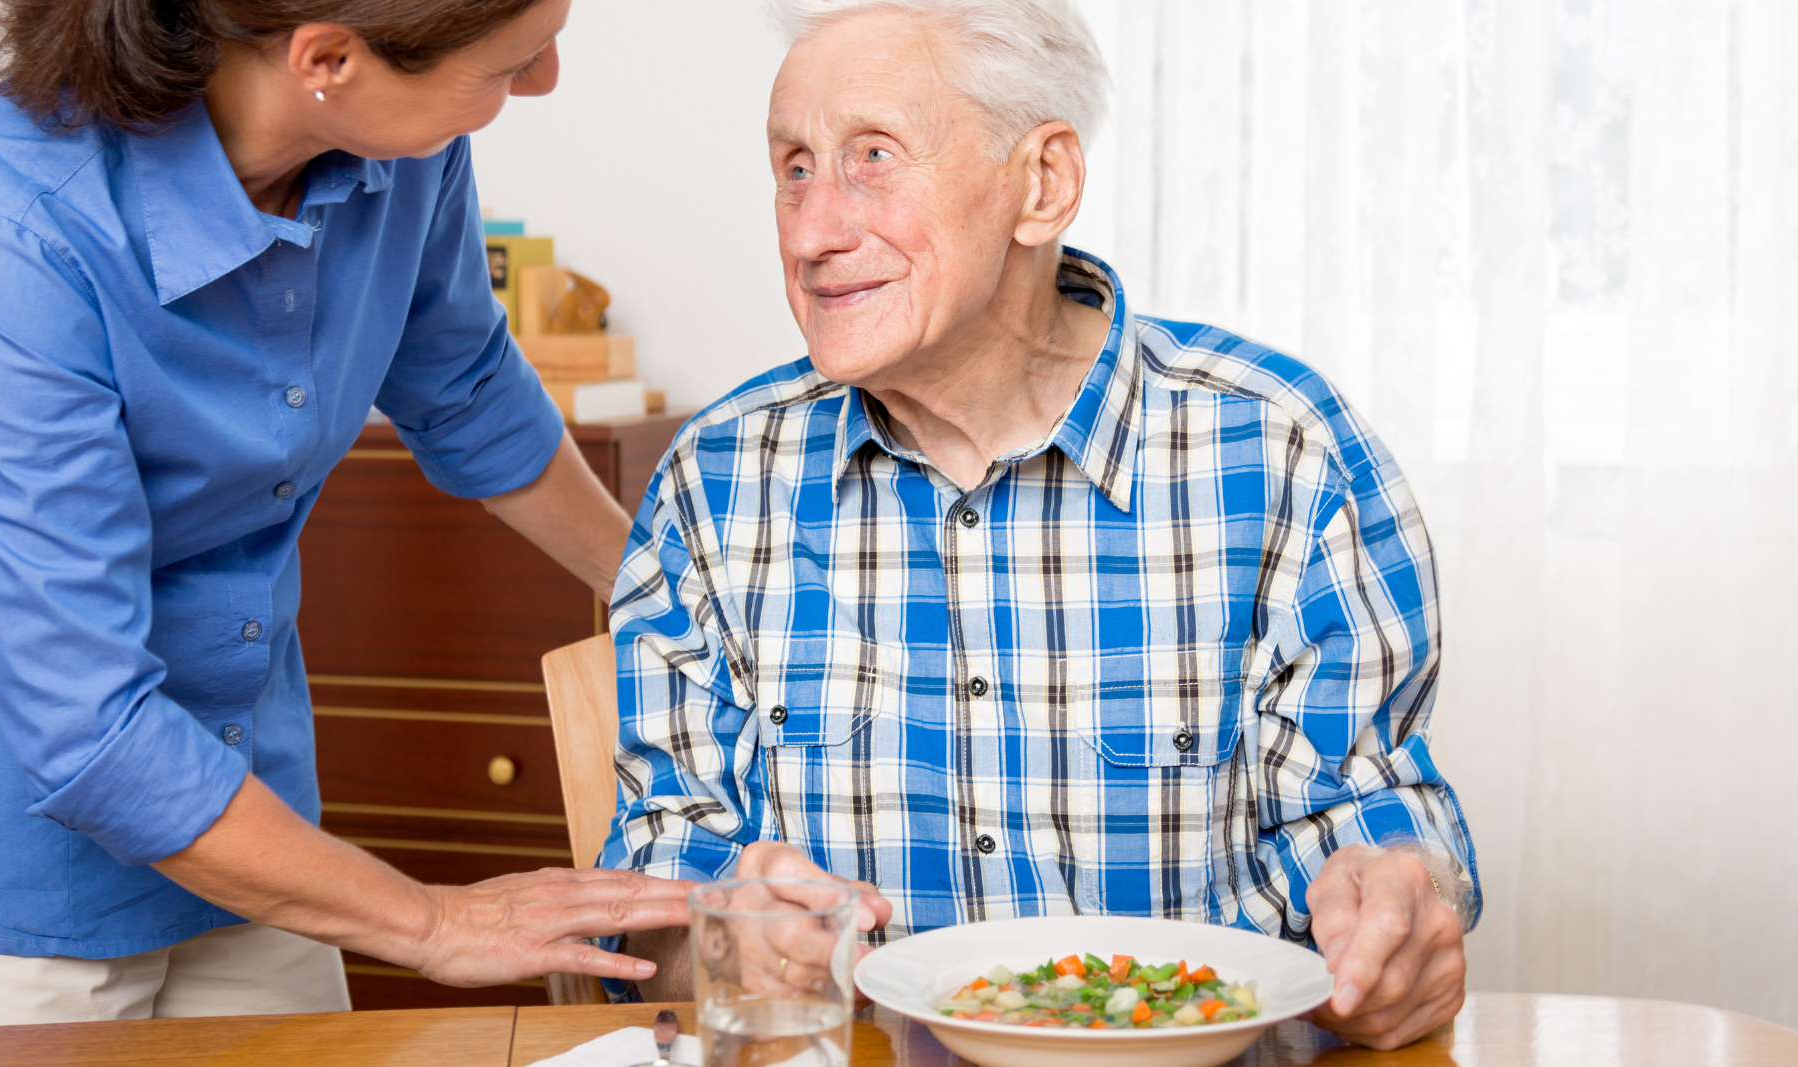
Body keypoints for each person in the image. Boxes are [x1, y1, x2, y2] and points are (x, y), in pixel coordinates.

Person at [0, 0, 899, 1026]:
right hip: (19, 870)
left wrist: (682, 603)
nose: (547, 77)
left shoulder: (399, 152)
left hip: (261, 824)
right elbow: (89, 726)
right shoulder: (16, 234)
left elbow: (466, 391)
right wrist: (432, 921)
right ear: (329, 59)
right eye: (509, 63)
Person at [600, 0, 1480, 1050]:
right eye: (794, 166)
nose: (810, 231)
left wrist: (1397, 902)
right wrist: (718, 932)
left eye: (872, 157)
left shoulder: (1286, 452)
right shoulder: (718, 479)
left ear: (1043, 183)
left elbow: (1367, 825)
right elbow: (651, 898)